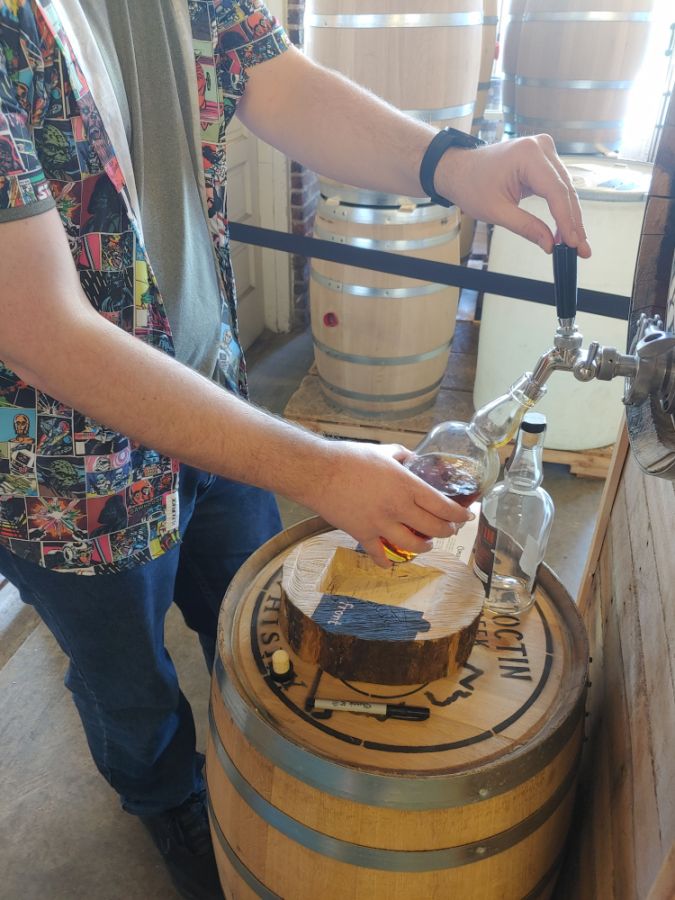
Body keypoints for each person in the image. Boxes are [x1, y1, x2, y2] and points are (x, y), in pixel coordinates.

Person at [0, 2, 591, 898]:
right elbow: (40, 331)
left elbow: (275, 79)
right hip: (67, 476)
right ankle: (167, 801)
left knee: (252, 624)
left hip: (213, 403)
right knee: (128, 683)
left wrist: (453, 163)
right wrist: (319, 468)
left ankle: (253, 755)